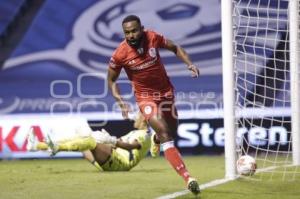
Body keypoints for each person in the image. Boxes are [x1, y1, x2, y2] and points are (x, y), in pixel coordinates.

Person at [107, 15, 200, 195]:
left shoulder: (152, 37)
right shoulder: (120, 53)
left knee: (171, 131)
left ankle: (156, 139)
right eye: (127, 33)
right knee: (166, 134)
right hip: (145, 98)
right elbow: (111, 79)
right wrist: (120, 101)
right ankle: (188, 178)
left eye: (134, 31)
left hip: (166, 92)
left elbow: (175, 47)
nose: (131, 35)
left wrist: (189, 64)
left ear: (141, 28)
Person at [26, 114, 154, 172]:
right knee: (83, 137)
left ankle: (56, 147)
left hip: (121, 164)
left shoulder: (144, 135)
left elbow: (132, 146)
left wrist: (111, 140)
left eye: (138, 115)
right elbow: (120, 144)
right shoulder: (134, 132)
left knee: (90, 141)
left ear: (144, 119)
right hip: (112, 159)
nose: (135, 117)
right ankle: (37, 145)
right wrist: (109, 139)